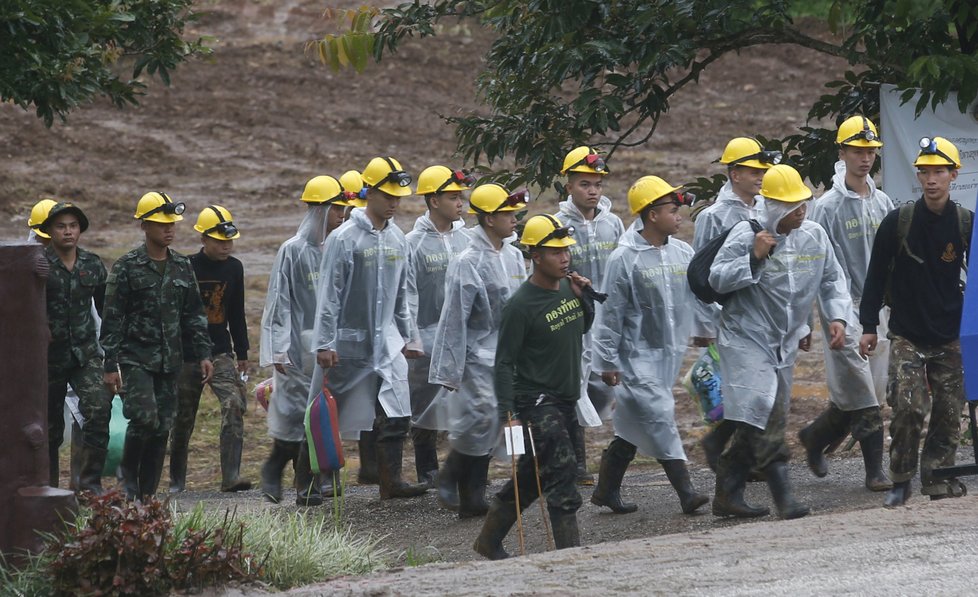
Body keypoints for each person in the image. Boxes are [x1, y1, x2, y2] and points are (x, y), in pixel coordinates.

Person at [709, 164, 850, 520]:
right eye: (792, 207)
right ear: (772, 207)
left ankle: (727, 487)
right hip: (745, 337)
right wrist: (752, 257)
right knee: (764, 408)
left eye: (803, 205)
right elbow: (716, 279)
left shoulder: (814, 236)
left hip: (784, 341)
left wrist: (836, 317)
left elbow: (832, 280)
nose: (800, 212)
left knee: (762, 415)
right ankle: (784, 496)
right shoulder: (746, 234)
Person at [859, 136, 973, 506]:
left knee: (949, 410)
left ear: (954, 174)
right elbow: (875, 276)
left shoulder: (966, 223)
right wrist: (868, 326)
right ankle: (901, 478)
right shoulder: (898, 221)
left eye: (939, 172)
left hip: (951, 333)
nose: (931, 180)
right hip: (907, 331)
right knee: (908, 406)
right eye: (924, 172)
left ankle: (938, 477)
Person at [474, 214, 595, 559]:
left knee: (531, 477)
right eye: (555, 252)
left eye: (566, 251)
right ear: (535, 256)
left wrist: (583, 298)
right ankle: (569, 556)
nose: (564, 257)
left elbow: (582, 327)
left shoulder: (567, 290)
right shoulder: (520, 305)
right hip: (538, 403)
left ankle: (488, 540)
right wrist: (508, 413)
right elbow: (504, 363)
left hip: (566, 398)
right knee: (562, 474)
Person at [590, 176, 709, 515]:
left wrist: (705, 329)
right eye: (673, 210)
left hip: (668, 354)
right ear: (652, 214)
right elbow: (610, 314)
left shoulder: (682, 252)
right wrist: (607, 361)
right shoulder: (624, 259)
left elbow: (696, 297)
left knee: (634, 422)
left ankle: (606, 489)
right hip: (635, 356)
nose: (680, 216)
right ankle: (686, 493)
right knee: (659, 414)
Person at [313, 156, 428, 500]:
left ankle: (390, 481)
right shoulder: (345, 239)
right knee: (329, 409)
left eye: (398, 197)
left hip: (387, 339)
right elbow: (329, 293)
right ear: (370, 192)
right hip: (349, 341)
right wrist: (324, 341)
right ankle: (313, 480)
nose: (394, 202)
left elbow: (405, 291)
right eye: (388, 195)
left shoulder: (398, 240)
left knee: (397, 407)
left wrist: (408, 336)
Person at [800, 116, 894, 491]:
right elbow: (817, 265)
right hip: (843, 306)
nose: (866, 158)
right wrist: (813, 317)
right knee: (863, 391)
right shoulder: (828, 206)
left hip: (879, 310)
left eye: (870, 151)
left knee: (869, 388)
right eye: (858, 150)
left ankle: (814, 436)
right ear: (842, 153)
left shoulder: (882, 201)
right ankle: (875, 471)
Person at [101, 192, 213, 501]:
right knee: (143, 418)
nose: (169, 229)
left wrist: (203, 353)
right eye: (161, 224)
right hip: (135, 358)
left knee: (163, 426)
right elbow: (112, 318)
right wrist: (110, 364)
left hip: (170, 360)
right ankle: (128, 483)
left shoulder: (181, 266)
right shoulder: (126, 267)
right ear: (144, 225)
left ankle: (147, 496)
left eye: (172, 224)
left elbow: (193, 313)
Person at [428, 183, 527, 517]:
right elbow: (454, 317)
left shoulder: (514, 255)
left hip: (506, 355)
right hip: (476, 356)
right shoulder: (467, 261)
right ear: (488, 219)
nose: (514, 219)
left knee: (497, 421)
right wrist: (450, 368)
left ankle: (472, 498)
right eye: (506, 214)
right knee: (480, 418)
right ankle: (450, 476)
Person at [259, 176, 351, 506]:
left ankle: (313, 482)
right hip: (299, 348)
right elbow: (279, 301)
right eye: (336, 208)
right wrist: (278, 348)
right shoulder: (293, 251)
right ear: (320, 209)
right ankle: (282, 473)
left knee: (320, 417)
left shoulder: (340, 248)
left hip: (329, 349)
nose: (342, 214)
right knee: (299, 416)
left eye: (343, 208)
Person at [692, 137, 777, 472]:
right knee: (746, 390)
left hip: (760, 314)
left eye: (762, 170)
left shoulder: (764, 209)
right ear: (734, 173)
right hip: (727, 315)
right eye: (752, 170)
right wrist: (705, 325)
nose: (760, 176)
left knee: (753, 389)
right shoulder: (713, 216)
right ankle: (743, 460)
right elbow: (699, 275)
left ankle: (728, 448)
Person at [170, 205, 251, 493]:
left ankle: (231, 475)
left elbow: (237, 313)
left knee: (233, 405)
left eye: (229, 241)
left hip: (220, 352)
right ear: (203, 239)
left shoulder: (235, 268)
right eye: (219, 241)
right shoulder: (185, 266)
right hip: (187, 355)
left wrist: (242, 353)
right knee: (183, 419)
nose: (226, 246)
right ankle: (177, 481)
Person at [556, 146, 624, 485]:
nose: (593, 191)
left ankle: (615, 461)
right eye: (584, 184)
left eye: (597, 184)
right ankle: (576, 464)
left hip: (608, 318)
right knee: (572, 388)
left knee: (609, 387)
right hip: (572, 319)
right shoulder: (558, 225)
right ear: (568, 186)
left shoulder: (613, 224)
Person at [404, 165, 473, 488]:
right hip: (427, 335)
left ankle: (463, 468)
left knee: (467, 402)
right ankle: (427, 469)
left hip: (465, 336)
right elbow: (407, 293)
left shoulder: (468, 239)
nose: (460, 203)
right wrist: (412, 336)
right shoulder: (412, 244)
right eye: (452, 197)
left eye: (460, 196)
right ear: (433, 201)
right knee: (424, 405)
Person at [39, 202, 111, 493]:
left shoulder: (92, 264)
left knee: (99, 409)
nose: (68, 232)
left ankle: (89, 486)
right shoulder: (39, 265)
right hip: (48, 358)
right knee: (48, 428)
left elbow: (108, 311)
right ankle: (48, 488)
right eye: (61, 226)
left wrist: (112, 358)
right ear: (50, 231)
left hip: (85, 355)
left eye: (73, 226)